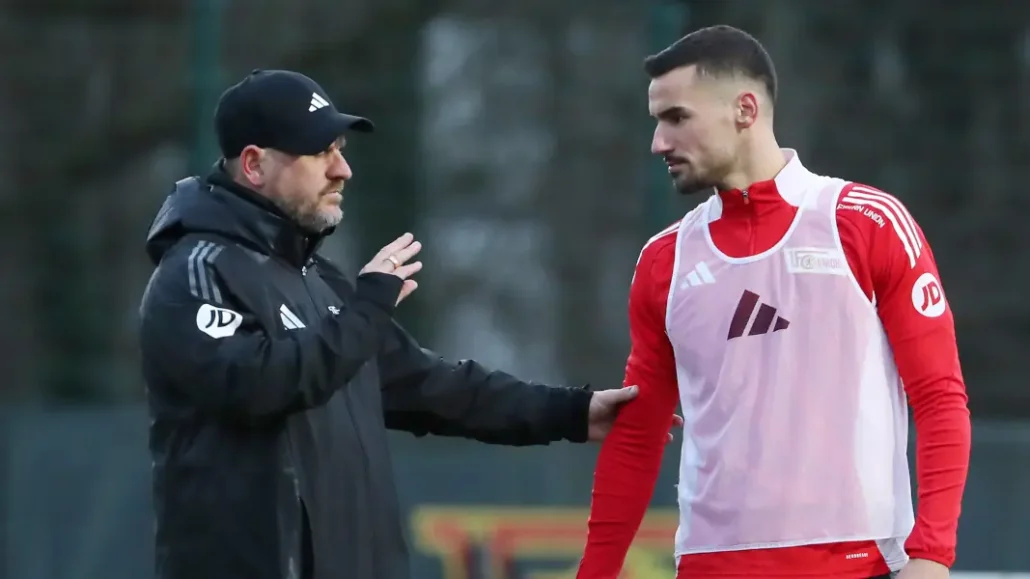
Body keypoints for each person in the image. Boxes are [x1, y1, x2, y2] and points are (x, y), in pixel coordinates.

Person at [138, 69, 678, 579]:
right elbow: (258, 383)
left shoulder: (318, 281)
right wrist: (368, 307)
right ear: (254, 165)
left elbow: (430, 387)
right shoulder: (197, 271)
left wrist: (569, 411)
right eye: (320, 152)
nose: (341, 169)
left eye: (340, 151)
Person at [576, 26, 970, 579]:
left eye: (677, 118)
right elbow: (639, 436)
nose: (659, 143)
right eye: (656, 122)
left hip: (857, 565)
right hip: (710, 567)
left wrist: (931, 554)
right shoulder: (664, 260)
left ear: (745, 109)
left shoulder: (865, 222)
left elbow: (939, 398)